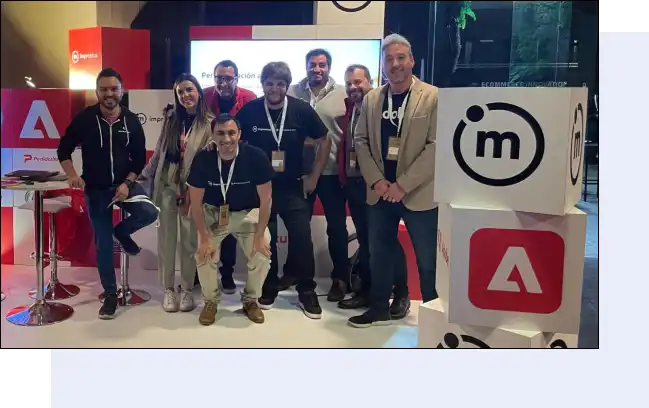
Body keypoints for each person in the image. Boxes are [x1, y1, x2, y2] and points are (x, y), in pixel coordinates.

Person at [352, 34, 440, 328]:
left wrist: (402, 185)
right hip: (380, 193)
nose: (395, 64)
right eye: (389, 59)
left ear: (412, 60)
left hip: (418, 193)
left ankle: (433, 319)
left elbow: (436, 145)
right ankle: (378, 309)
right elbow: (360, 140)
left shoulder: (433, 96)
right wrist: (377, 181)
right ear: (383, 65)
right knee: (379, 255)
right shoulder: (372, 98)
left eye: (401, 57)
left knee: (427, 261)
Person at [57, 68, 158, 320]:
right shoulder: (86, 118)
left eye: (114, 89)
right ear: (97, 92)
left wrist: (127, 183)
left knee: (149, 212)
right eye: (104, 89)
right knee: (103, 244)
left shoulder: (131, 120)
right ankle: (111, 296)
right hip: (97, 189)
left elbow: (139, 160)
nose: (109, 94)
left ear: (121, 91)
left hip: (125, 184)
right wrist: (72, 175)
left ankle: (121, 231)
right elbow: (63, 149)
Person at [235, 61, 331, 319]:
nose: (274, 89)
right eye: (269, 83)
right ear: (262, 84)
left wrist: (314, 176)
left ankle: (307, 289)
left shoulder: (301, 109)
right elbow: (233, 139)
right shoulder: (251, 110)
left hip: (293, 186)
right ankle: (268, 286)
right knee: (266, 238)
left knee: (301, 239)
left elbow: (324, 140)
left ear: (287, 86)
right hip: (261, 188)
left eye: (280, 84)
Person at [188, 114, 273, 325]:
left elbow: (266, 200)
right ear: (213, 135)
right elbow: (195, 204)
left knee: (262, 252)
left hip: (247, 213)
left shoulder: (255, 156)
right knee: (204, 254)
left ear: (239, 134)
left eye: (231, 133)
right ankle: (210, 301)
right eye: (220, 133)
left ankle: (251, 300)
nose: (226, 139)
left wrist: (259, 236)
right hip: (213, 212)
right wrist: (204, 237)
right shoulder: (203, 159)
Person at [336, 64, 408, 311]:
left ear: (371, 81)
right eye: (349, 83)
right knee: (366, 243)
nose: (353, 87)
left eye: (358, 82)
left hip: (378, 186)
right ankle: (366, 291)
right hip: (355, 185)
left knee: (386, 241)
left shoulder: (382, 107)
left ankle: (401, 294)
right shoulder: (351, 108)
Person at [141, 73, 214, 313]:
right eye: (180, 92)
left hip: (192, 188)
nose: (185, 95)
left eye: (189, 90)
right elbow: (160, 149)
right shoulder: (171, 118)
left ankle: (187, 289)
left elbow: (208, 162)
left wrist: (196, 191)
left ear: (199, 91)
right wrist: (144, 175)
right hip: (168, 184)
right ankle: (169, 289)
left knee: (189, 241)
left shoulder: (210, 122)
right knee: (167, 240)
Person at [286, 49, 350, 302]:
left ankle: (341, 278)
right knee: (297, 226)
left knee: (337, 227)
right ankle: (294, 272)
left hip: (331, 172)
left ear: (329, 67)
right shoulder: (292, 92)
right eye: (312, 64)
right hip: (299, 171)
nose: (317, 69)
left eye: (322, 65)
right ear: (306, 66)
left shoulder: (343, 94)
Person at [199, 60, 258, 294]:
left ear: (237, 79)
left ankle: (227, 273)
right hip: (211, 166)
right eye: (219, 78)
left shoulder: (249, 98)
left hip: (238, 167)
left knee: (231, 220)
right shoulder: (205, 96)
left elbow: (250, 132)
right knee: (210, 221)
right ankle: (204, 272)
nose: (222, 83)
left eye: (227, 78)